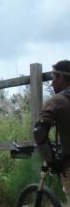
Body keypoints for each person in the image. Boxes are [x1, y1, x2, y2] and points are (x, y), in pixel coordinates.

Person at [33, 60, 70, 197]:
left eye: (53, 77)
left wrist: (52, 161)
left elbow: (39, 133)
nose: (51, 82)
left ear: (61, 78)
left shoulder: (57, 101)